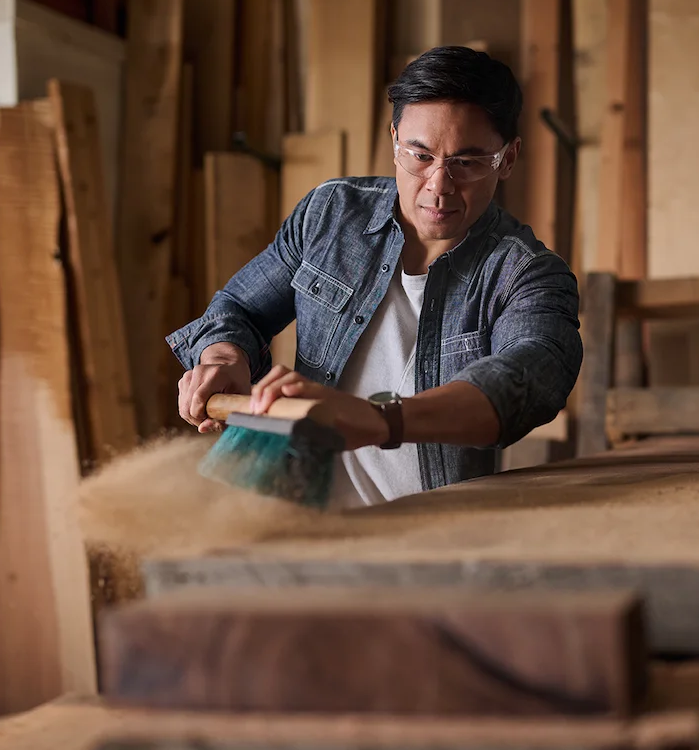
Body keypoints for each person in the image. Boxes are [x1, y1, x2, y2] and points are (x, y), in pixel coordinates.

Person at [166, 45, 582, 507]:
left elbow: (525, 382)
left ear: (507, 159)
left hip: (430, 536)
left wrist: (381, 419)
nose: (438, 186)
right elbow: (240, 307)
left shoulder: (528, 274)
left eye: (466, 163)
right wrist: (225, 358)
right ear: (394, 141)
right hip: (294, 511)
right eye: (419, 156)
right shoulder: (331, 214)